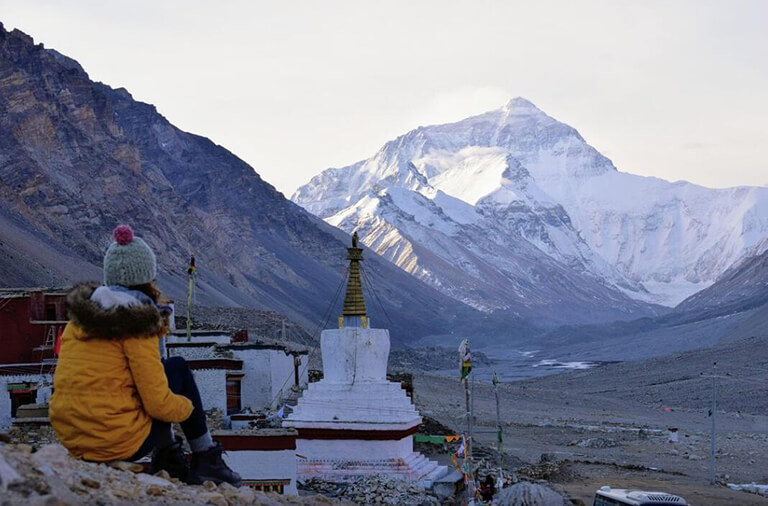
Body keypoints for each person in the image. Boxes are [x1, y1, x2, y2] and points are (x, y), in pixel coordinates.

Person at [50, 225, 241, 486]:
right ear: (147, 276)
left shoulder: (79, 319)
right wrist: (188, 407)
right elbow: (157, 402)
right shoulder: (136, 320)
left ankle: (171, 460)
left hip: (72, 437)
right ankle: (206, 460)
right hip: (114, 440)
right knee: (177, 369)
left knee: (151, 380)